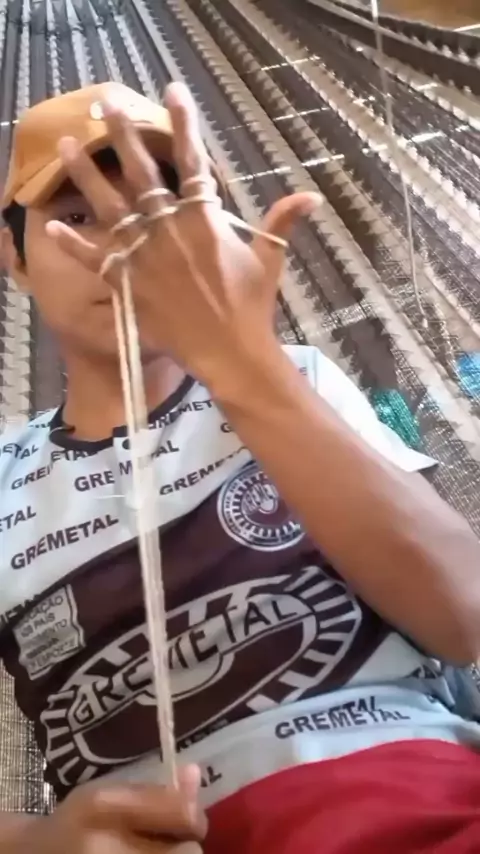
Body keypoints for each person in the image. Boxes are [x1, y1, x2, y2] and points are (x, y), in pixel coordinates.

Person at [0, 80, 480, 854]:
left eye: (157, 212)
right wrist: (36, 843)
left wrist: (239, 363)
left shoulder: (297, 378)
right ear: (13, 256)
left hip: (410, 796)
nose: (122, 246)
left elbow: (464, 617)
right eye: (77, 217)